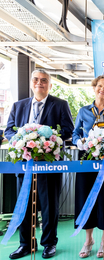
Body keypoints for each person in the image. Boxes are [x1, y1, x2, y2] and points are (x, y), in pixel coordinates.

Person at [5, 69, 74, 259]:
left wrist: (47, 143)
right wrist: (21, 140)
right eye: (36, 79)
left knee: (50, 206)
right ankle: (26, 244)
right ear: (31, 82)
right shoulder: (18, 106)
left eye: (44, 80)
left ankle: (49, 243)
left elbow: (68, 130)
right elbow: (9, 131)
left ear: (50, 85)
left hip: (49, 164)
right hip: (24, 165)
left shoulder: (60, 105)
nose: (39, 83)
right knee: (25, 205)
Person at [72, 75, 104, 258]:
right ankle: (88, 240)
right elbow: (75, 134)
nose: (102, 89)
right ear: (94, 87)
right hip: (86, 159)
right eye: (100, 86)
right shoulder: (84, 111)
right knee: (86, 198)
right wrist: (80, 142)